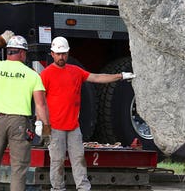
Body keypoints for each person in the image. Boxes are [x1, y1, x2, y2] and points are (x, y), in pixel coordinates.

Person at [40, 36, 135, 191]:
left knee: (78, 159)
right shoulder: (46, 74)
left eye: (63, 53)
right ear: (52, 54)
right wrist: (42, 123)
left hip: (73, 127)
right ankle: (57, 188)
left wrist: (120, 76)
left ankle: (83, 188)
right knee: (57, 161)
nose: (61, 57)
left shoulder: (76, 71)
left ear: (68, 53)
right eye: (58, 54)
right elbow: (40, 101)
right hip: (55, 127)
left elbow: (96, 77)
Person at [0, 31, 50, 191]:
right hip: (19, 123)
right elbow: (41, 105)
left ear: (8, 50)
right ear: (23, 53)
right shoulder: (32, 75)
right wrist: (46, 129)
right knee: (18, 169)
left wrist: (0, 40)